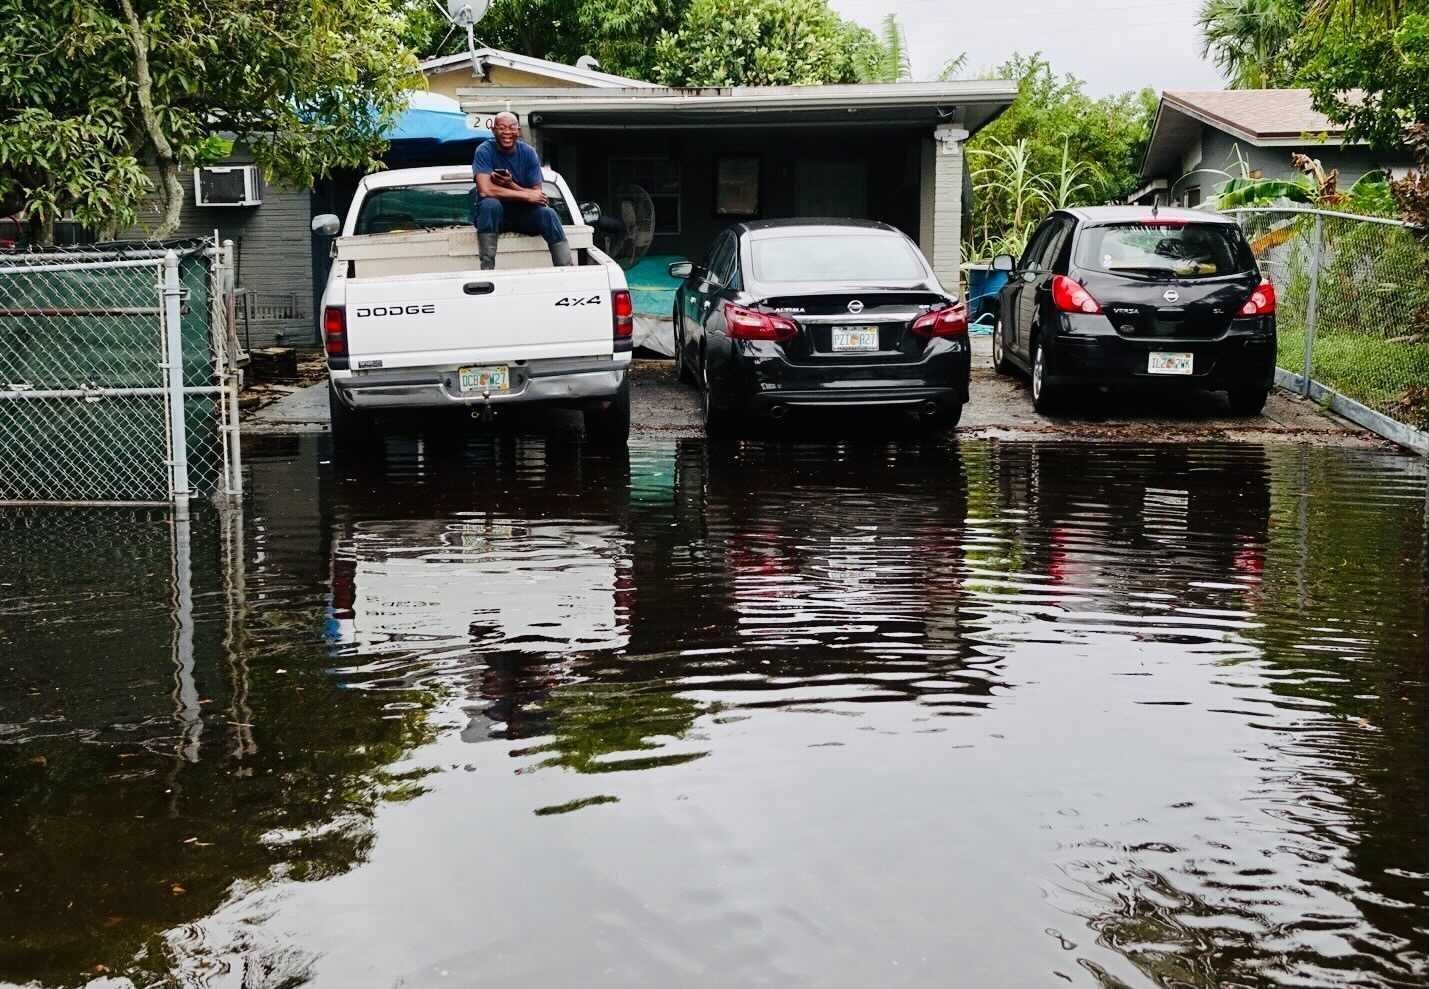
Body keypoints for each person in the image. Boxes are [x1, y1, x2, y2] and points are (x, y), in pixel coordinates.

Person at [471, 112, 572, 269]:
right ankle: (487, 268)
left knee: (549, 214)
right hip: (494, 219)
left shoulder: (528, 153)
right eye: (502, 128)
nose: (507, 132)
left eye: (512, 128)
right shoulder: (484, 151)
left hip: (523, 215)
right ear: (493, 130)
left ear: (518, 130)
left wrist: (511, 184)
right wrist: (525, 195)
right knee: (490, 204)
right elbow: (485, 190)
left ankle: (566, 267)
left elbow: (536, 194)